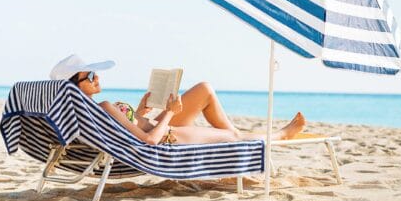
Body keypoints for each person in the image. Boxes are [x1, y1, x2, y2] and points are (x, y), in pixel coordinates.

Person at [50, 54, 306, 145]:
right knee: (233, 137)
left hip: (160, 128)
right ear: (74, 87)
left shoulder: (93, 111)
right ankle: (281, 135)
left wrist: (140, 111)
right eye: (90, 76)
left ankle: (240, 141)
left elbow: (130, 129)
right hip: (168, 136)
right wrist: (170, 112)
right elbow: (149, 140)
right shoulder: (102, 107)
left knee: (204, 88)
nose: (97, 78)